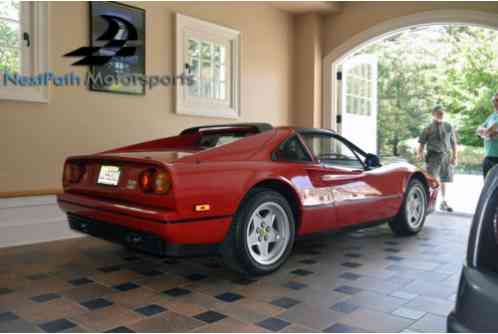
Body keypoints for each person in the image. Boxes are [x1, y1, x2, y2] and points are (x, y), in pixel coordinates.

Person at [416, 106, 458, 212]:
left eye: (442, 113)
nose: (441, 115)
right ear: (433, 114)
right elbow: (421, 142)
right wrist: (419, 154)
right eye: (438, 113)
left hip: (446, 156)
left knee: (445, 180)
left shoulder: (449, 126)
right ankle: (427, 203)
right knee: (431, 180)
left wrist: (454, 156)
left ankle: (444, 202)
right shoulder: (428, 128)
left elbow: (453, 143)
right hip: (433, 156)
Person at [477, 92, 498, 178]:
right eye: (493, 100)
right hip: (489, 157)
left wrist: (488, 133)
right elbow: (478, 130)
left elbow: (493, 133)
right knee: (487, 188)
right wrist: (488, 132)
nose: (495, 102)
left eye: (497, 100)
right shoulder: (492, 116)